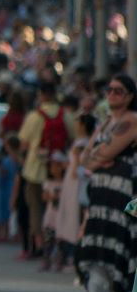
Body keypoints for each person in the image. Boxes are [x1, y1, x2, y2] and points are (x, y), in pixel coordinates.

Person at [77, 75, 137, 292]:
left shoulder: (131, 120)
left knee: (116, 244)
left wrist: (97, 158)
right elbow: (84, 159)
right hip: (100, 194)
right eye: (109, 90)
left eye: (118, 91)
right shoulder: (106, 122)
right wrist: (98, 158)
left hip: (119, 193)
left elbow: (108, 152)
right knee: (98, 245)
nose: (112, 94)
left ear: (130, 96)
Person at [17, 82, 72, 261]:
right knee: (58, 209)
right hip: (58, 172)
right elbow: (73, 140)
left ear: (41, 95)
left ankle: (39, 245)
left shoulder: (34, 116)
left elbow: (23, 143)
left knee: (35, 209)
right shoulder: (66, 116)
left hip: (35, 170)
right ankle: (57, 247)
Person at [53, 113, 95, 272]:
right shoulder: (79, 141)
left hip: (77, 184)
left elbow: (81, 167)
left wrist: (75, 160)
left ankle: (73, 256)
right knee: (69, 215)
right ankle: (67, 254)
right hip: (70, 183)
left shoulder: (85, 143)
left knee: (75, 217)